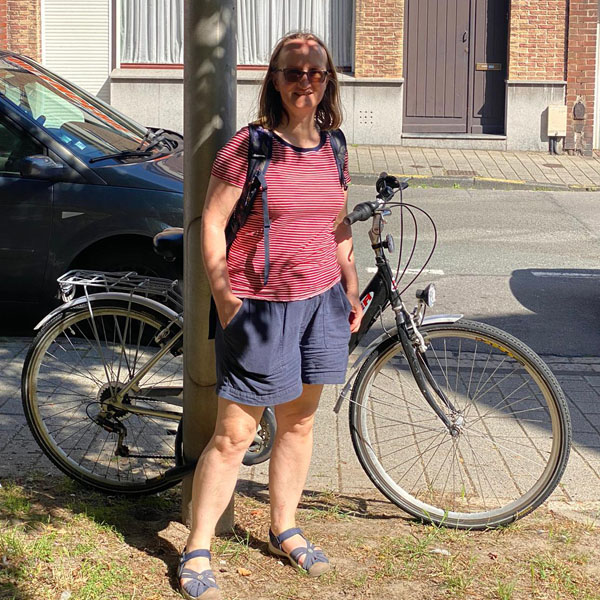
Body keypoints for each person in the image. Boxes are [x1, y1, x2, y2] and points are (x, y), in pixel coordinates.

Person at [178, 31, 363, 600]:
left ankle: (284, 525)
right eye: (292, 71)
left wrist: (350, 284)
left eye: (315, 71)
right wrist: (226, 296)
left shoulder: (335, 145)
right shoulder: (250, 146)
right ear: (275, 81)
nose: (305, 80)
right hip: (260, 305)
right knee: (236, 432)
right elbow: (211, 222)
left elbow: (336, 223)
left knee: (300, 421)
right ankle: (197, 547)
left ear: (327, 80)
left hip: (322, 302)